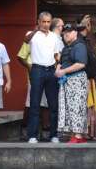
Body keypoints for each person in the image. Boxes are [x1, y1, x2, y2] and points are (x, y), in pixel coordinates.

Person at [26, 12, 60, 144]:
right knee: (34, 103)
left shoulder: (54, 37)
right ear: (39, 22)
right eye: (43, 22)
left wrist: (59, 66)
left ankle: (54, 135)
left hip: (51, 70)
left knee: (53, 104)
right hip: (37, 70)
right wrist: (36, 30)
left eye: (48, 22)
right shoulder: (33, 34)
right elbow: (25, 40)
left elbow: (56, 55)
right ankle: (32, 135)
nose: (46, 24)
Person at [56, 23, 88, 143]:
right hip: (66, 80)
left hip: (77, 79)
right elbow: (61, 61)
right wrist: (58, 70)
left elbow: (81, 64)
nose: (66, 35)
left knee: (77, 106)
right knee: (69, 107)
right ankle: (74, 133)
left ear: (75, 33)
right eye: (64, 33)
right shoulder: (66, 48)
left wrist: (63, 71)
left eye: (69, 32)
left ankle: (78, 135)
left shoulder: (79, 46)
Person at [17, 33, 50, 140]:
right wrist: (29, 66)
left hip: (48, 73)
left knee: (45, 102)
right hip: (34, 74)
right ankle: (25, 128)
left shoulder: (50, 37)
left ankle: (45, 129)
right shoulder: (30, 36)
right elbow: (21, 56)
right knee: (30, 102)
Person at [77, 15, 96, 140]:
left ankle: (91, 132)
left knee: (92, 106)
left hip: (90, 78)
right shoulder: (79, 40)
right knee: (86, 106)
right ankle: (85, 132)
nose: (89, 26)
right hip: (84, 78)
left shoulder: (86, 40)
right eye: (87, 24)